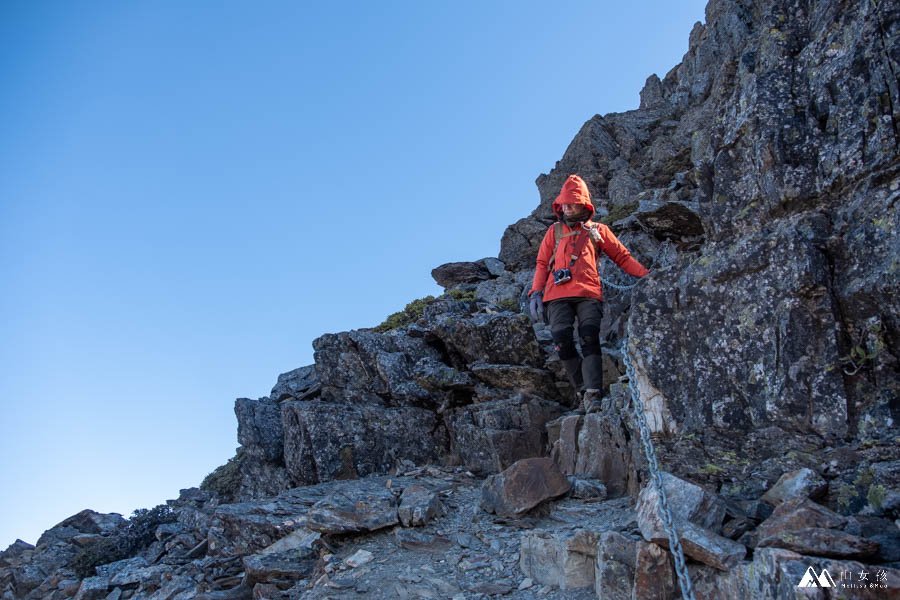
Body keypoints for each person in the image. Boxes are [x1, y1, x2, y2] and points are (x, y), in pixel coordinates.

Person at [528, 174, 649, 413]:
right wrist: (535, 292)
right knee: (561, 339)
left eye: (571, 202)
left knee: (589, 337)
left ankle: (593, 393)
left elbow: (622, 257)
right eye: (563, 203)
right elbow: (542, 263)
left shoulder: (598, 230)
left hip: (588, 293)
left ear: (583, 203)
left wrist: (646, 276)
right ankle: (583, 389)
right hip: (556, 295)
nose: (566, 207)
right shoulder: (554, 232)